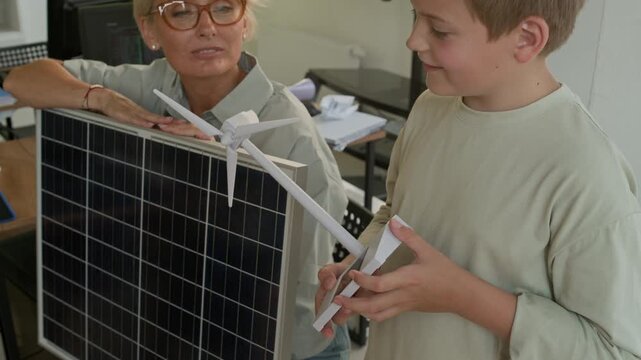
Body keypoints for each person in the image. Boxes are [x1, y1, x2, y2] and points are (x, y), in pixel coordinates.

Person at [4, 0, 351, 358]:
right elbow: (23, 79)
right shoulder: (158, 83)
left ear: (244, 23)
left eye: (224, 7)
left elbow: (292, 293)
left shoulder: (291, 137)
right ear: (150, 31)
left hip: (285, 340)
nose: (207, 27)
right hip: (192, 316)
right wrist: (103, 99)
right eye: (182, 10)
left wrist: (204, 169)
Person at [316, 0, 641, 359]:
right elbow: (395, 214)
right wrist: (358, 267)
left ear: (527, 38)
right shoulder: (429, 108)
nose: (413, 40)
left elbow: (613, 351)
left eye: (439, 30)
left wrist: (463, 296)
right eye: (415, 16)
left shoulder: (585, 170)